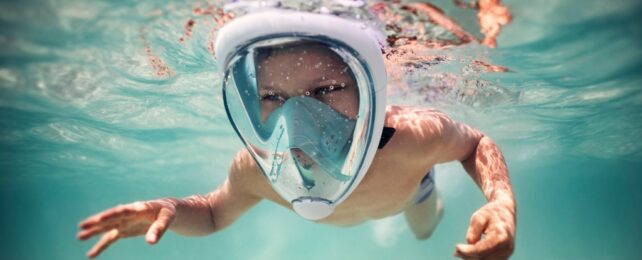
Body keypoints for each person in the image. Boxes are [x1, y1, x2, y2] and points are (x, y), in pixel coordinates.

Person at [77, 5, 516, 260]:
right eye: (272, 98)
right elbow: (212, 213)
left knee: (424, 230)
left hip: (412, 191)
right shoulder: (258, 168)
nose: (298, 120)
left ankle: (429, 199)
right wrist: (171, 208)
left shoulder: (410, 138)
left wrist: (501, 204)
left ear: (370, 91)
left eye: (325, 89)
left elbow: (476, 142)